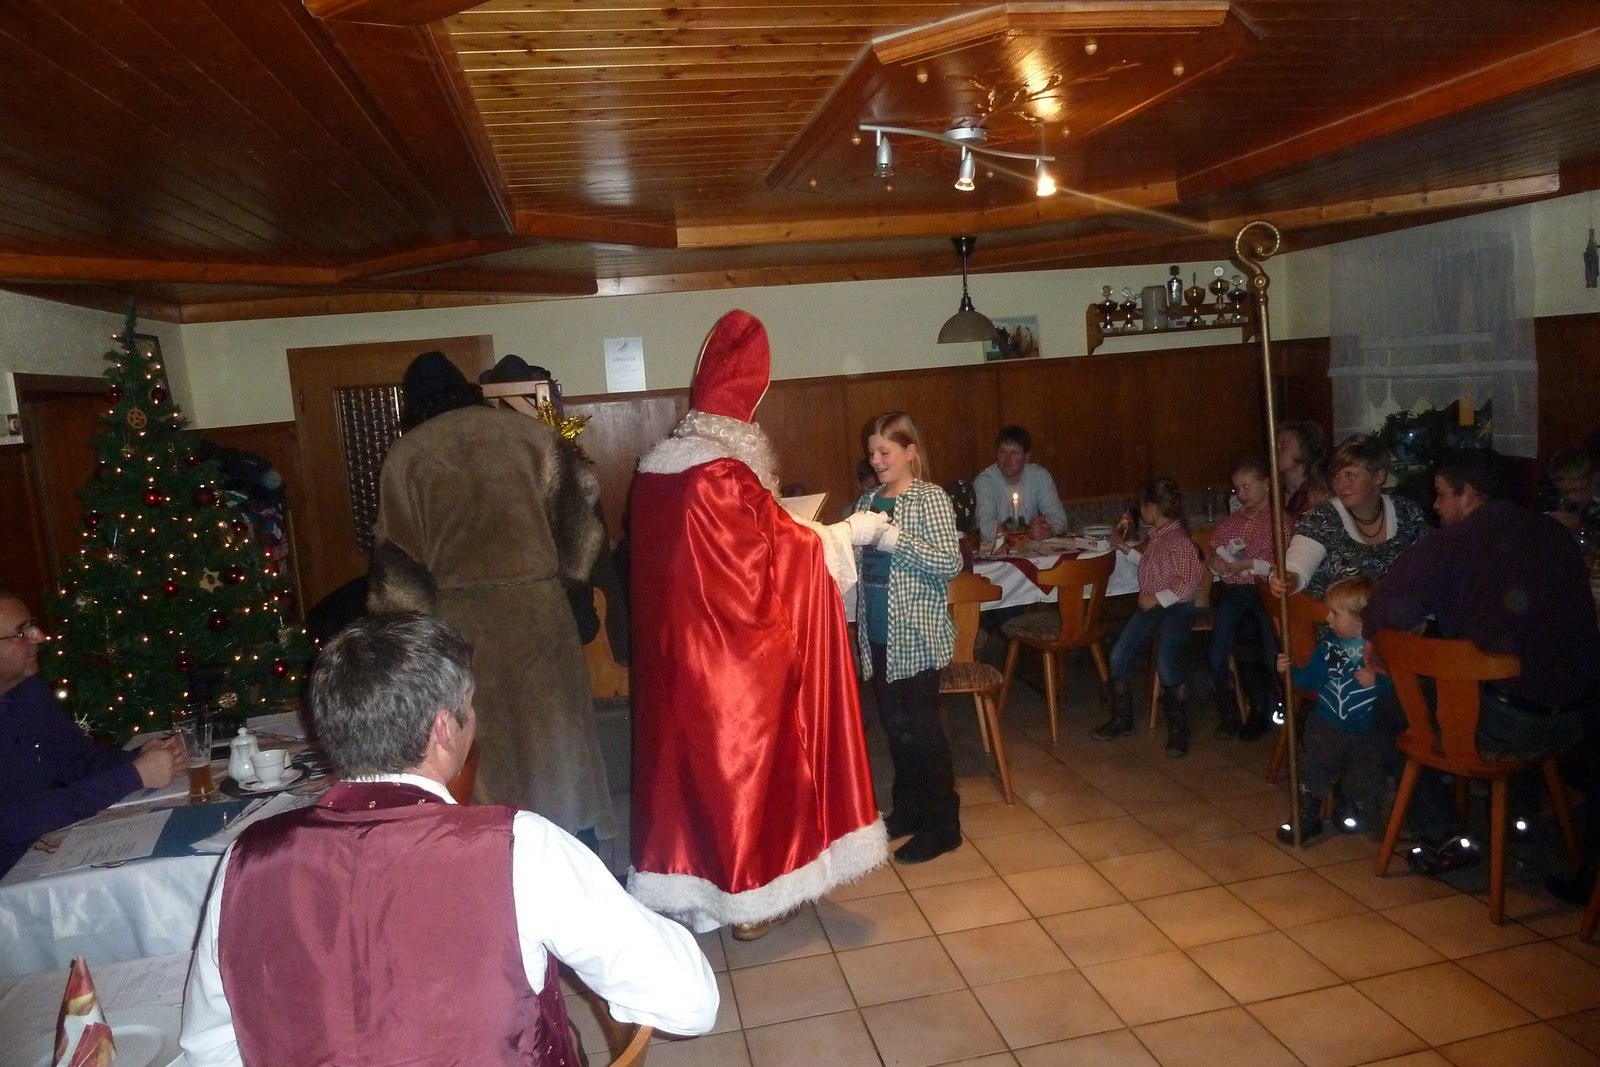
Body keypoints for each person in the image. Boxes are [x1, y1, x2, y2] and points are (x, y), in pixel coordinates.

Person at [179, 612, 719, 1065]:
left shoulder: (246, 861)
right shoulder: (517, 849)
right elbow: (690, 1003)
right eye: (471, 704)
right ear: (444, 728)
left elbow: (210, 1051)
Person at [627, 310, 888, 939]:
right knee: (747, 778)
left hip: (674, 661)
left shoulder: (655, 476)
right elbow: (779, 554)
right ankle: (755, 899)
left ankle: (697, 896)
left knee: (691, 780)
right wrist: (847, 532)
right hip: (735, 666)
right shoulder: (723, 474)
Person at [368, 351, 615, 846]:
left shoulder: (407, 457)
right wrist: (566, 580)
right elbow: (583, 525)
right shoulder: (530, 436)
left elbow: (398, 569)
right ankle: (573, 855)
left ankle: (496, 860)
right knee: (559, 745)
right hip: (539, 613)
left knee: (483, 753)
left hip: (461, 629)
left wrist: (409, 637)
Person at [1364, 449, 1600, 877]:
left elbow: (1391, 608)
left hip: (1506, 724)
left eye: (1441, 494)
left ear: (1468, 493)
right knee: (1525, 670)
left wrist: (1373, 636)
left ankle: (1443, 835)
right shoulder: (1553, 532)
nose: (1436, 506)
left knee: (1389, 710)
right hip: (1576, 717)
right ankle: (1519, 813)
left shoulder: (1452, 543)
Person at [0, 589, 185, 875]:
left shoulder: (26, 689)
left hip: (43, 847)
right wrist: (133, 775)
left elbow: (75, 759)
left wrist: (138, 758)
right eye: (22, 632)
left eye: (32, 625)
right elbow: (14, 821)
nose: (40, 637)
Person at [853, 411, 966, 865]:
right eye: (872, 452)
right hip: (878, 635)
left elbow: (950, 562)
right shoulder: (866, 501)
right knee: (895, 727)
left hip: (916, 635)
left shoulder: (929, 498)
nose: (876, 460)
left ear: (910, 452)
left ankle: (944, 826)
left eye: (885, 451)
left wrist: (894, 539)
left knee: (924, 730)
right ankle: (910, 809)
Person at [1091, 478, 1205, 757]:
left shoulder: (1179, 540)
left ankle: (1178, 729)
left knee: (1166, 660)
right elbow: (1153, 564)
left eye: (1141, 506)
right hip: (1153, 608)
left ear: (1152, 507)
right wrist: (1125, 549)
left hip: (1177, 608)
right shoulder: (1158, 536)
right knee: (1119, 654)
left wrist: (1156, 598)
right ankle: (1122, 718)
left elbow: (1189, 582)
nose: (1139, 512)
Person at [1274, 576, 1391, 843]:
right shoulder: (1330, 649)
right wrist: (1288, 672)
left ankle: (1356, 807)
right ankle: (1307, 811)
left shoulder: (1381, 652)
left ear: (1361, 618)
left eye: (1335, 613)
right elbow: (1310, 680)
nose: (1327, 619)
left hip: (1368, 729)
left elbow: (1401, 690)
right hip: (1327, 723)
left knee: (1367, 772)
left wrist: (1380, 681)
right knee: (1315, 766)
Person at [1272, 434, 1429, 601]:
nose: (1341, 485)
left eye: (1350, 475)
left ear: (1379, 476)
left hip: (1399, 616)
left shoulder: (1406, 511)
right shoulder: (1322, 517)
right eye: (1336, 476)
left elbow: (1428, 567)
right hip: (1332, 616)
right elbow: (1297, 568)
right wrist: (1289, 579)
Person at [1204, 458, 1278, 741]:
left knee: (1272, 651)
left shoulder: (1278, 521)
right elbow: (1213, 551)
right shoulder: (1232, 521)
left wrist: (1249, 565)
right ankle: (1232, 709)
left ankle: (1273, 707)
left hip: (1265, 592)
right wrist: (1216, 563)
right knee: (1218, 649)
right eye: (1237, 489)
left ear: (1267, 485)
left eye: (1247, 487)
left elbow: (1283, 565)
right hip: (1234, 591)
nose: (1241, 494)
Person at [972, 425, 1068, 542]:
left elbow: (1059, 518)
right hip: (996, 549)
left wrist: (1047, 530)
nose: (1007, 459)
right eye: (1002, 452)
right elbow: (985, 526)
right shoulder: (984, 482)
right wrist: (1025, 534)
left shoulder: (1039, 476)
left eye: (1014, 453)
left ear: (1026, 457)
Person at [1538, 446, 1600, 541]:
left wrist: (1580, 526)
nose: (1572, 497)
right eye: (1564, 492)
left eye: (1578, 489)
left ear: (1595, 477)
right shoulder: (1551, 497)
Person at [1276, 420, 1330, 528]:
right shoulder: (1272, 492)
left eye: (1283, 445)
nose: (1275, 451)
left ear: (1305, 448)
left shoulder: (1319, 493)